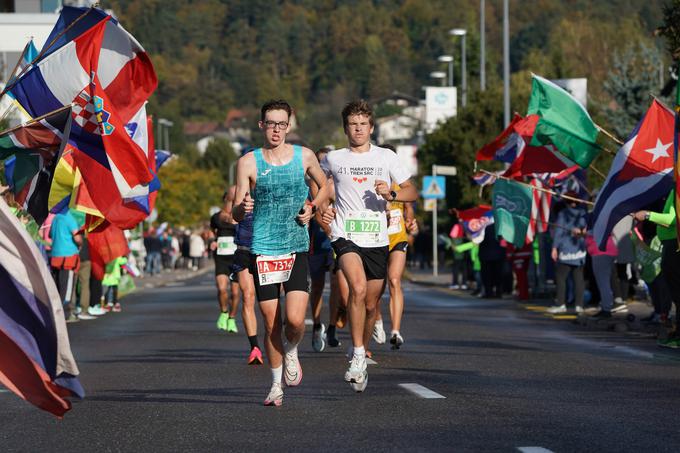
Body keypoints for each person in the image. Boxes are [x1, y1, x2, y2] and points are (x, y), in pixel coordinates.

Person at [233, 99, 328, 406]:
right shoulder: (247, 162)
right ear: (261, 125)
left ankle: (292, 349)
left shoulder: (305, 157)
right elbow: (236, 212)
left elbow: (326, 187)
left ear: (289, 126)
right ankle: (275, 385)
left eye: (281, 124)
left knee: (296, 320)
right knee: (271, 322)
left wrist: (311, 208)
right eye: (270, 123)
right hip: (263, 250)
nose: (276, 129)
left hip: (296, 247)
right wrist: (241, 207)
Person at [321, 100, 417, 392]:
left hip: (377, 238)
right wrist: (321, 208)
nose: (358, 129)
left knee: (372, 304)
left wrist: (392, 192)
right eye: (353, 124)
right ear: (345, 128)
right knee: (357, 289)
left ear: (371, 127)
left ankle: (360, 348)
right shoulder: (334, 159)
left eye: (363, 124)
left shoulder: (386, 157)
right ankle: (358, 354)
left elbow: (412, 191)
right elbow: (319, 188)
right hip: (345, 235)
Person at [373, 144, 418, 350]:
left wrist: (411, 223)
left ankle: (396, 331)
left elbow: (409, 209)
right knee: (376, 288)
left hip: (398, 238)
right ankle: (378, 320)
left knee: (394, 280)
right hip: (375, 240)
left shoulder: (401, 186)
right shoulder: (371, 184)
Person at [634, 189, 680, 348]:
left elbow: (673, 219)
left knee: (677, 293)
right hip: (671, 243)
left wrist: (647, 215)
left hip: (674, 244)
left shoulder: (678, 187)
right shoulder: (675, 187)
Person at [230, 166, 264, 365]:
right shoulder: (241, 193)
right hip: (244, 250)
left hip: (267, 252)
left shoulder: (270, 192)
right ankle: (254, 347)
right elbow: (231, 215)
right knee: (248, 296)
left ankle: (273, 341)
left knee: (271, 302)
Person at [547, 194, 588, 314]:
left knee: (561, 278)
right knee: (579, 279)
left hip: (565, 250)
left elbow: (559, 233)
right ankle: (579, 305)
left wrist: (554, 247)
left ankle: (561, 304)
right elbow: (586, 229)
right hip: (579, 251)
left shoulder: (563, 214)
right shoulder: (582, 213)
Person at [210, 190, 240, 334]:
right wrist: (212, 241)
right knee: (222, 289)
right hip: (221, 257)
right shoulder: (216, 217)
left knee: (235, 293)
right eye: (231, 193)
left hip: (236, 257)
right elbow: (211, 232)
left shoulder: (240, 215)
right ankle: (223, 312)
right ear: (226, 197)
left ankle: (232, 318)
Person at [49, 210, 82, 322]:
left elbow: (49, 235)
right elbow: (77, 238)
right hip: (68, 257)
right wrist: (81, 242)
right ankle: (65, 315)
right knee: (67, 289)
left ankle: (56, 313)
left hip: (55, 256)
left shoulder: (55, 218)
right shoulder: (69, 218)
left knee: (57, 287)